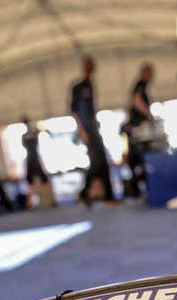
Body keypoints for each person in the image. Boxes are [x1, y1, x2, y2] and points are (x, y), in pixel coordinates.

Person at [70, 55, 114, 205]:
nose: (90, 68)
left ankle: (94, 195)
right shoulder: (78, 87)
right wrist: (81, 130)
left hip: (94, 128)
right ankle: (101, 196)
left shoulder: (90, 85)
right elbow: (74, 110)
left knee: (100, 162)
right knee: (98, 162)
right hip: (87, 130)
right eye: (88, 65)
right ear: (84, 67)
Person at [122, 63, 154, 198]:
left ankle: (137, 187)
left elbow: (131, 105)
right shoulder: (140, 85)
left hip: (136, 128)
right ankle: (136, 187)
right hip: (139, 128)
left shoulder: (141, 86)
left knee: (138, 158)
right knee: (141, 157)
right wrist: (148, 114)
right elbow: (136, 100)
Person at [22, 115, 55, 208]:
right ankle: (30, 204)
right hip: (32, 159)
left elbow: (45, 131)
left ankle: (52, 200)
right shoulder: (27, 135)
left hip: (34, 159)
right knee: (32, 182)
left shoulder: (32, 133)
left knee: (42, 181)